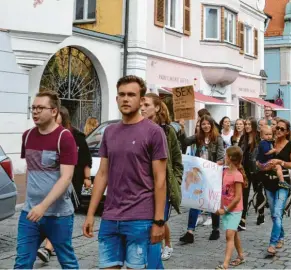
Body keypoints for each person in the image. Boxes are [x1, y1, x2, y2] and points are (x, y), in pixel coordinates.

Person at [82, 75, 168, 269]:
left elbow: (160, 180)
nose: (126, 99)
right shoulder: (110, 132)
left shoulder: (154, 132)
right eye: (122, 94)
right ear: (116, 98)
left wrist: (159, 221)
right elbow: (102, 174)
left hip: (140, 218)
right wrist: (90, 214)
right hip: (110, 216)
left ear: (141, 99)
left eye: (131, 94)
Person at [15, 91, 79, 269]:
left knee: (67, 262)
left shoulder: (64, 137)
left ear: (54, 111)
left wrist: (43, 206)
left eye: (40, 108)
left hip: (58, 215)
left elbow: (66, 177)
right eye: (33, 108)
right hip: (30, 213)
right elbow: (31, 169)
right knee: (22, 263)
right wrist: (32, 200)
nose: (35, 112)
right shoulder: (27, 136)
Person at [36, 106, 92, 264]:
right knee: (53, 212)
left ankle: (48, 248)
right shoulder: (49, 135)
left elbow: (86, 158)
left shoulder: (77, 136)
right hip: (52, 181)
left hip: (73, 182)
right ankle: (53, 245)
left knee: (63, 213)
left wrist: (87, 178)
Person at [141, 93, 184, 262]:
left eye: (146, 105)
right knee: (145, 231)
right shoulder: (137, 128)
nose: (142, 108)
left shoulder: (167, 131)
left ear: (157, 108)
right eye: (141, 104)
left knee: (156, 229)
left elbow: (177, 161)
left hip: (163, 188)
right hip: (143, 188)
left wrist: (175, 182)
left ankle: (157, 257)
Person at [180, 115, 224, 243]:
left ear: (212, 125)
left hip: (212, 174)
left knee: (212, 201)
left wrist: (217, 165)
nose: (205, 126)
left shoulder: (218, 139)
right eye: (203, 124)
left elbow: (221, 157)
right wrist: (182, 128)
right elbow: (185, 142)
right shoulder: (198, 137)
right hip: (199, 174)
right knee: (195, 200)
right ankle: (190, 232)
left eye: (207, 124)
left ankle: (215, 229)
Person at [258, 119, 291, 256]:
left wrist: (280, 162)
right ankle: (281, 236)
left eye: (282, 129)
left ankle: (272, 244)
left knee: (277, 211)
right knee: (275, 213)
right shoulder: (268, 142)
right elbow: (259, 159)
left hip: (283, 182)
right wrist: (261, 165)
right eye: (277, 128)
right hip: (268, 182)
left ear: (287, 132)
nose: (278, 130)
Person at [215, 146, 247, 269]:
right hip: (226, 207)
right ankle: (241, 256)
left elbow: (238, 197)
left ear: (230, 158)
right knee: (233, 233)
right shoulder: (224, 171)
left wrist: (226, 210)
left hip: (234, 210)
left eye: (225, 155)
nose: (224, 157)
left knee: (229, 235)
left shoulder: (237, 175)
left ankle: (225, 264)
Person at [239, 117, 265, 230]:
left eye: (249, 124)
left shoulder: (259, 137)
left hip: (257, 170)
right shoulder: (243, 138)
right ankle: (242, 219)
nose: (247, 126)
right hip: (245, 170)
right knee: (244, 194)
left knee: (258, 192)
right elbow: (239, 152)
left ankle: (261, 213)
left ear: (253, 125)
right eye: (246, 124)